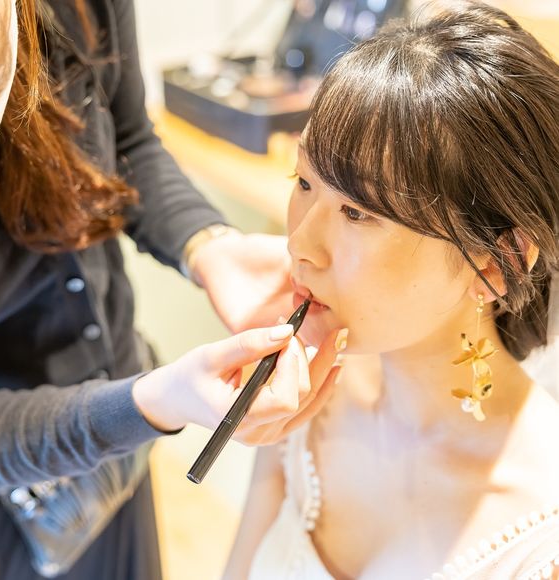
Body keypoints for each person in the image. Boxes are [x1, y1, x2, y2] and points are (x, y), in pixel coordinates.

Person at [0, 0, 341, 579]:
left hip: (116, 422)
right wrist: (148, 405)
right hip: (9, 479)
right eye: (302, 183)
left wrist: (209, 246)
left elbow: (126, 140)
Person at [223, 2, 559, 578]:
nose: (300, 245)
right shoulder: (305, 393)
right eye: (303, 181)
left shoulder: (540, 535)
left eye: (357, 212)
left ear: (497, 263)